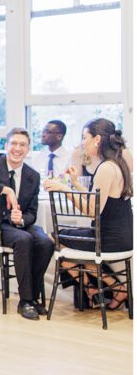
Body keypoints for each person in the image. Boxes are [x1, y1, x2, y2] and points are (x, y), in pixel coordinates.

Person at [44, 118, 132, 310]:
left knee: (54, 238)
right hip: (121, 236)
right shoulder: (115, 164)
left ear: (97, 139)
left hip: (108, 239)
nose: (82, 142)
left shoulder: (106, 169)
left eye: (85, 137)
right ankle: (96, 289)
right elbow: (98, 199)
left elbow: (93, 211)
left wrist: (63, 189)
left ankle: (108, 288)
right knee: (62, 242)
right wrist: (74, 184)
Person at [0, 127, 54, 320]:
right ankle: (26, 301)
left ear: (28, 149)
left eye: (22, 145)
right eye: (14, 144)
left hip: (17, 224)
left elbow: (32, 212)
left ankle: (32, 297)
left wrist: (23, 219)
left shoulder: (33, 175)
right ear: (7, 145)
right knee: (23, 239)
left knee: (45, 242)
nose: (17, 148)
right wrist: (5, 189)